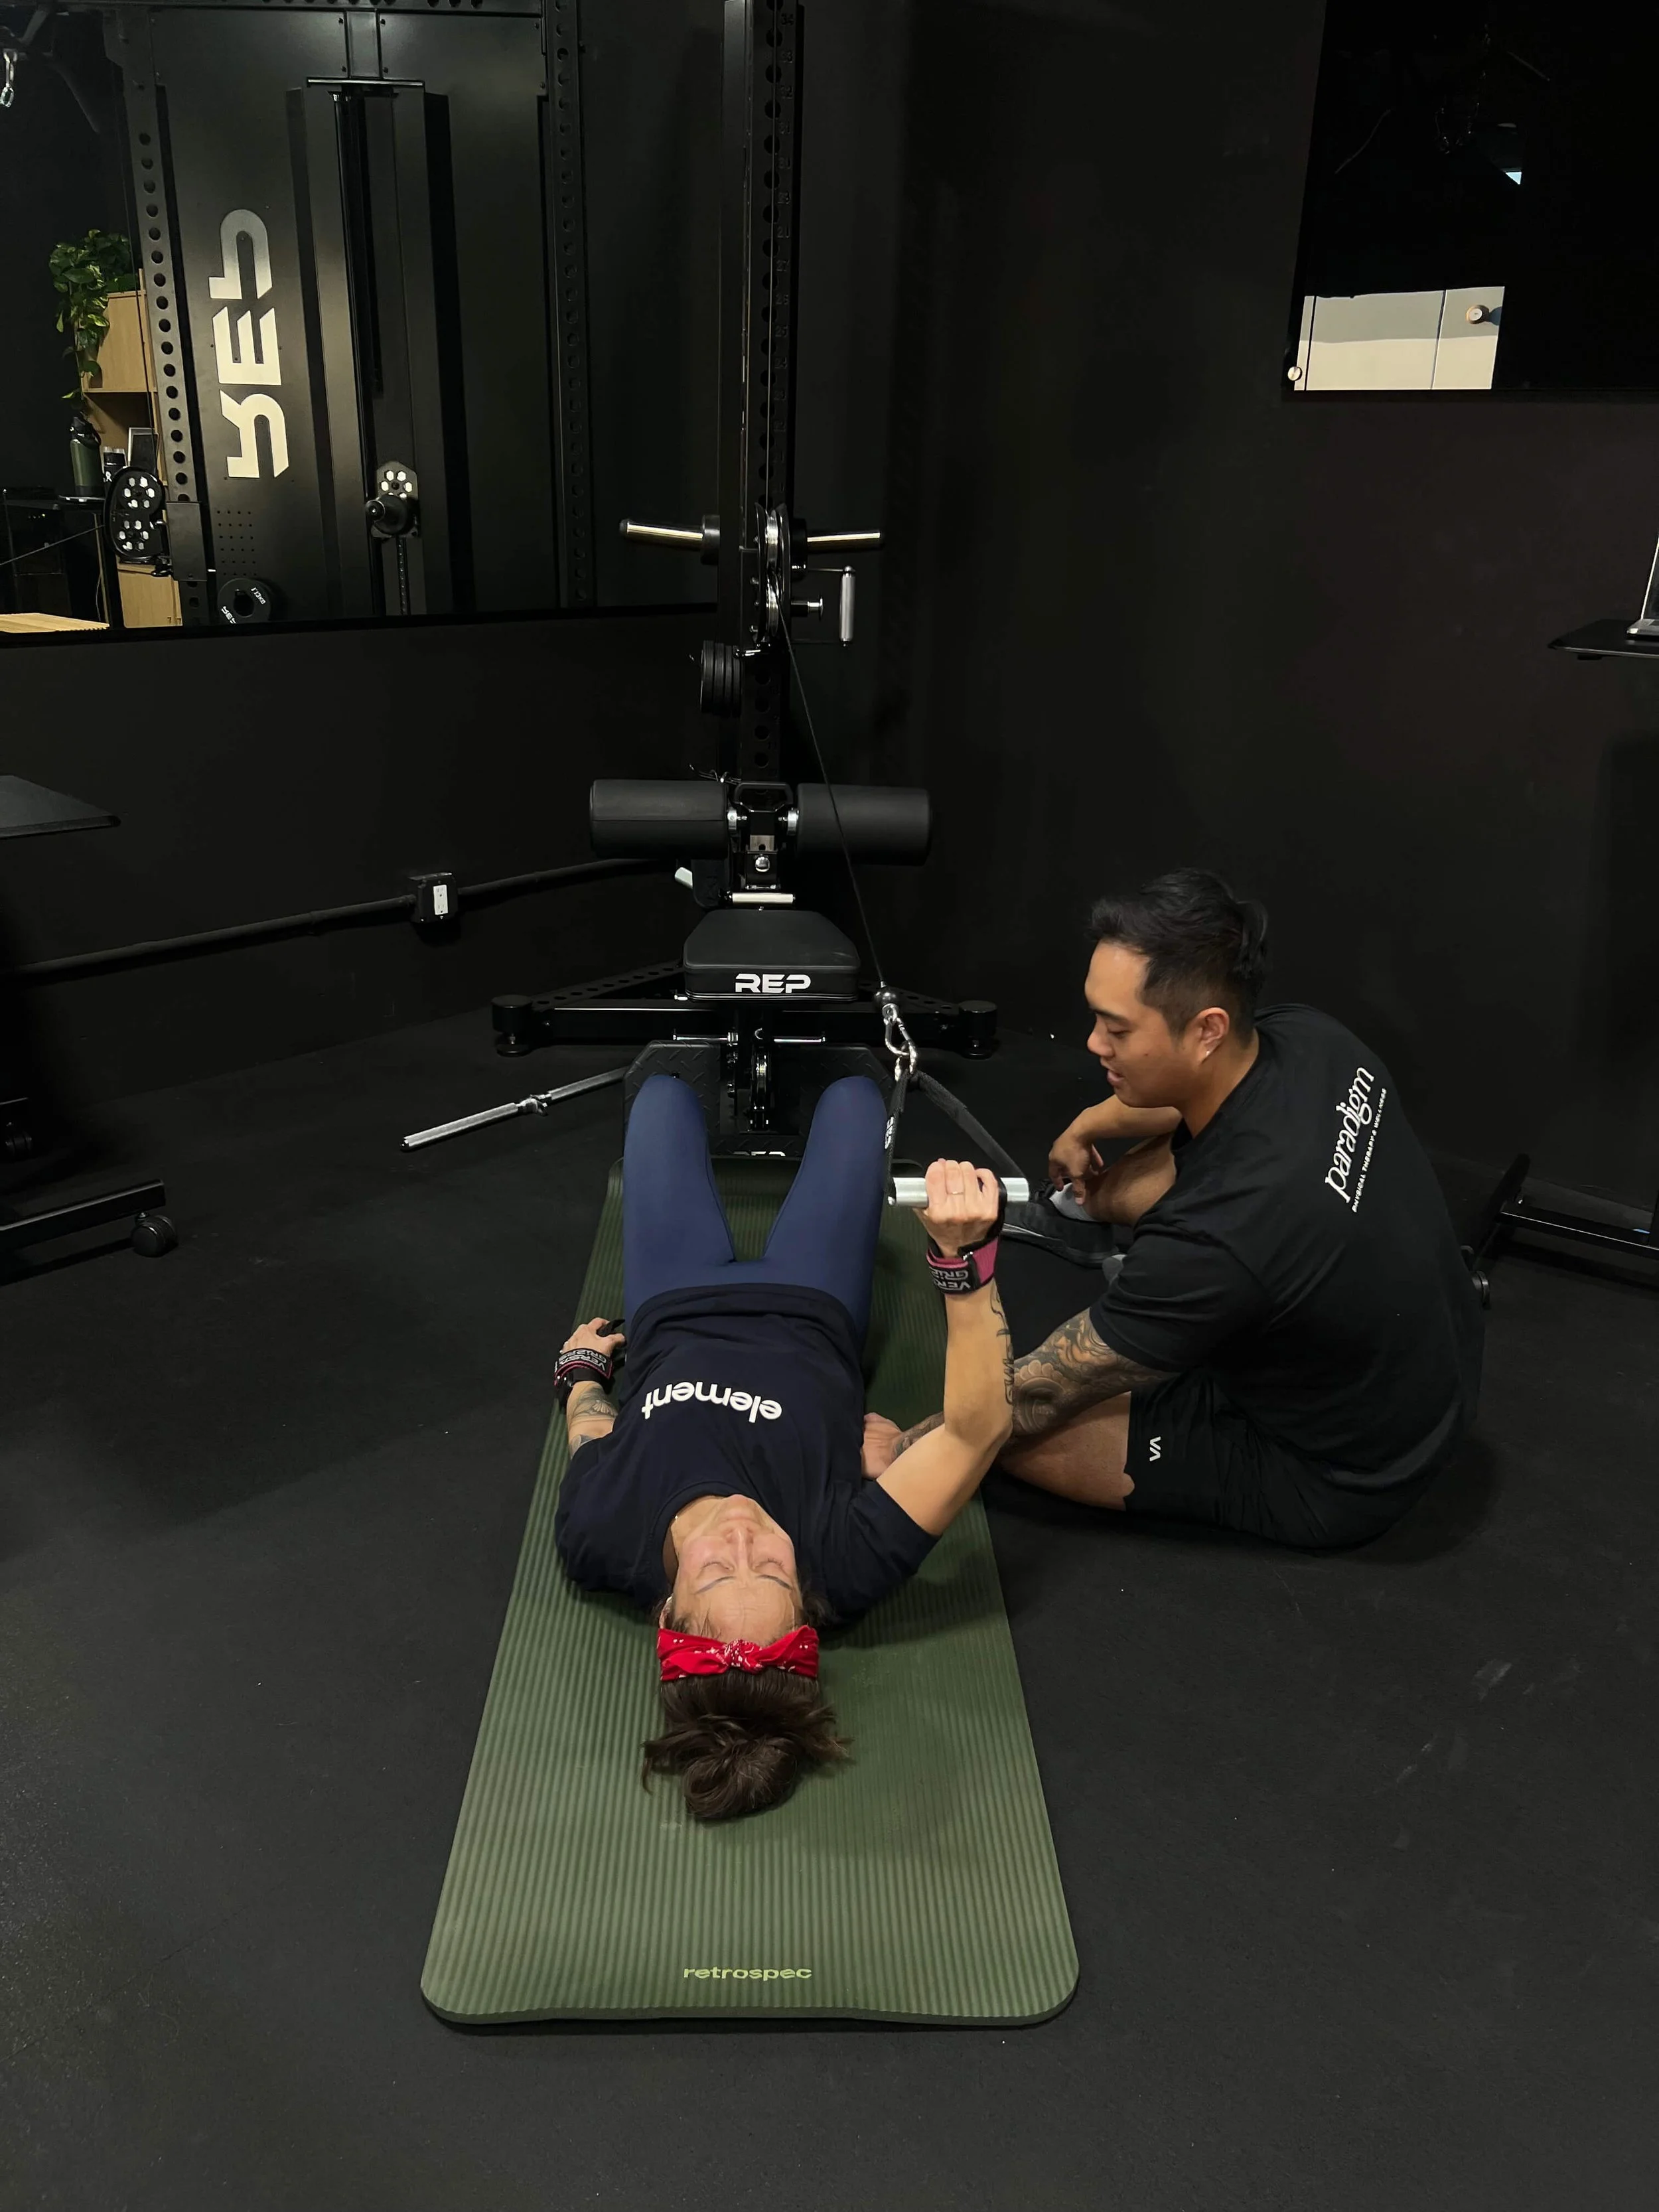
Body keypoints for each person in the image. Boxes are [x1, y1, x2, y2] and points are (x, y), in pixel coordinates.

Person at [870, 869, 1484, 1550]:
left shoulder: (1218, 1241)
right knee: (1199, 1146)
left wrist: (905, 1448)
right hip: (1436, 1372)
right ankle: (1112, 1215)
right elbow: (1192, 1098)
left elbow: (1035, 1395)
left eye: (1116, 1028)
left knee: (993, 1434)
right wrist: (1087, 1126)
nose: (1093, 1043)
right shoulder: (1315, 1040)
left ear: (1206, 1029)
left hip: (1341, 1472)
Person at [552, 1071, 1012, 1822]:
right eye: (770, 1568)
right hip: (814, 1302)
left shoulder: (600, 1535)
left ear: (669, 1613)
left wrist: (580, 1375)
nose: (741, 1538)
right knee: (855, 1098)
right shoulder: (843, 1559)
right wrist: (964, 1266)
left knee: (664, 1092)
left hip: (673, 1303)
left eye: (715, 1571)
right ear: (806, 1600)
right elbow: (976, 1431)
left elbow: (592, 1435)